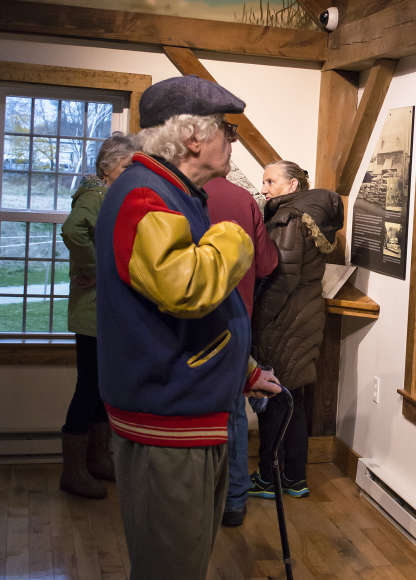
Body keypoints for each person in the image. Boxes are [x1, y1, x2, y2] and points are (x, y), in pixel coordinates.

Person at [94, 75, 281, 580]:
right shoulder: (144, 196)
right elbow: (187, 289)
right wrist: (236, 237)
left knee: (186, 555)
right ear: (194, 137)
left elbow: (188, 315)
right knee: (170, 567)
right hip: (166, 423)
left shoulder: (172, 191)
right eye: (227, 129)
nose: (231, 140)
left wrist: (240, 370)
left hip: (186, 411)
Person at [250, 160, 343, 499]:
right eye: (263, 181)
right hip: (304, 317)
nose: (264, 189)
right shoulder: (311, 216)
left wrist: (256, 319)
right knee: (294, 400)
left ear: (292, 186)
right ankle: (294, 478)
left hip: (283, 322)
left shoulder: (287, 219)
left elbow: (281, 280)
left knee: (275, 398)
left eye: (271, 181)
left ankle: (269, 477)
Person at [60, 132, 135, 499]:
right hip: (92, 310)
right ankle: (73, 471)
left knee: (103, 387)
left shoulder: (110, 194)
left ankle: (97, 460)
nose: (129, 172)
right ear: (107, 169)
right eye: (125, 167)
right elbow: (72, 230)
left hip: (105, 310)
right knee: (89, 387)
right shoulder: (95, 194)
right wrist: (96, 266)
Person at [205, 176, 278, 527]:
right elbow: (265, 264)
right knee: (233, 411)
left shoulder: (178, 195)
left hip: (190, 318)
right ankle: (234, 500)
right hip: (237, 316)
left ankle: (200, 502)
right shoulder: (243, 199)